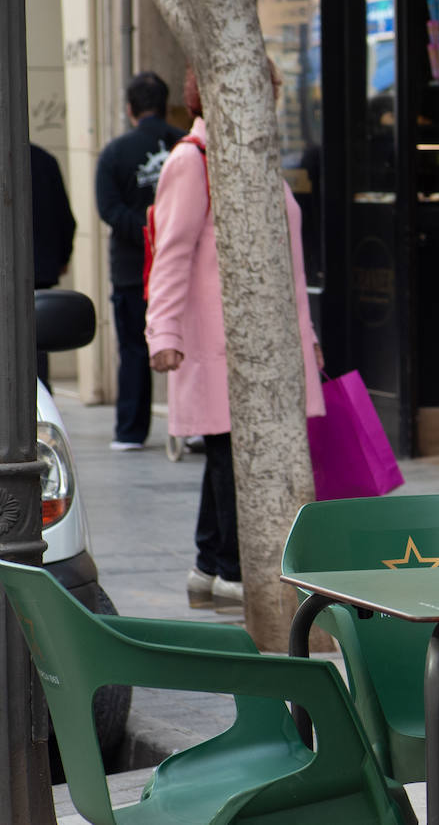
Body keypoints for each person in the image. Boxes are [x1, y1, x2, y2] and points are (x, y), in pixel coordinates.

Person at [146, 64, 324, 608]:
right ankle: (231, 569)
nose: (268, 100)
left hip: (263, 338)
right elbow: (172, 252)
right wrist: (164, 331)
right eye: (258, 91)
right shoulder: (192, 159)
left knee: (227, 447)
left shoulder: (253, 157)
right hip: (218, 338)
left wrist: (307, 335)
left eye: (267, 91)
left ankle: (209, 562)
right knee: (231, 448)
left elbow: (290, 265)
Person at [95, 72, 186, 451]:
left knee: (134, 348)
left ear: (130, 109)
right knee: (187, 348)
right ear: (166, 105)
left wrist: (145, 231)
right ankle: (193, 427)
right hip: (183, 271)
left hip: (133, 270)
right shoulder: (186, 146)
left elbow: (109, 209)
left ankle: (131, 431)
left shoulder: (116, 152)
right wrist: (167, 232)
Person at [31, 142, 77, 388]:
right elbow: (66, 219)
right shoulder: (45, 160)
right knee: (37, 342)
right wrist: (61, 258)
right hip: (41, 270)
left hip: (37, 269)